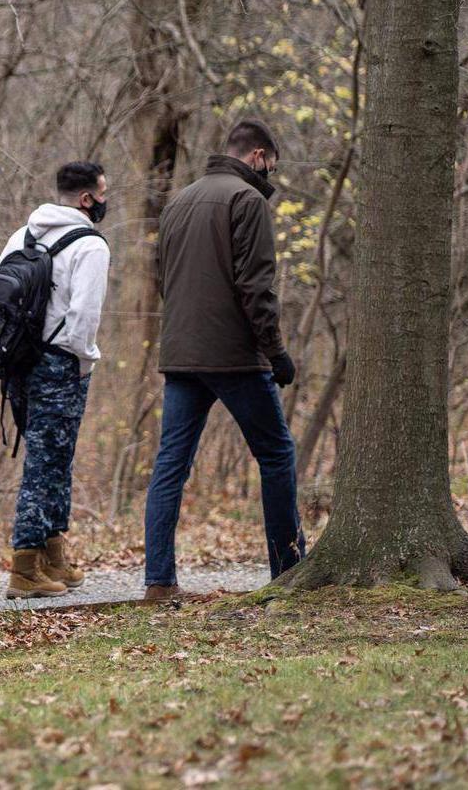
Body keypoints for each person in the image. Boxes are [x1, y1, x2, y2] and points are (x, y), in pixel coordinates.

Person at [143, 121, 306, 600]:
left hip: (180, 353)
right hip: (233, 356)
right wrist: (275, 353)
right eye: (271, 166)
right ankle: (288, 570)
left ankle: (159, 582)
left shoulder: (179, 201)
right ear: (257, 156)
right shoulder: (247, 201)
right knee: (277, 454)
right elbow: (256, 286)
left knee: (170, 464)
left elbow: (162, 279)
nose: (271, 175)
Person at [0, 162, 111, 599]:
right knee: (46, 463)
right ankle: (24, 567)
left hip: (20, 361)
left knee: (53, 458)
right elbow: (84, 317)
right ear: (87, 199)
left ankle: (52, 554)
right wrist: (83, 363)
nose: (104, 201)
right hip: (61, 363)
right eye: (102, 193)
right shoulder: (90, 246)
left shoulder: (23, 234)